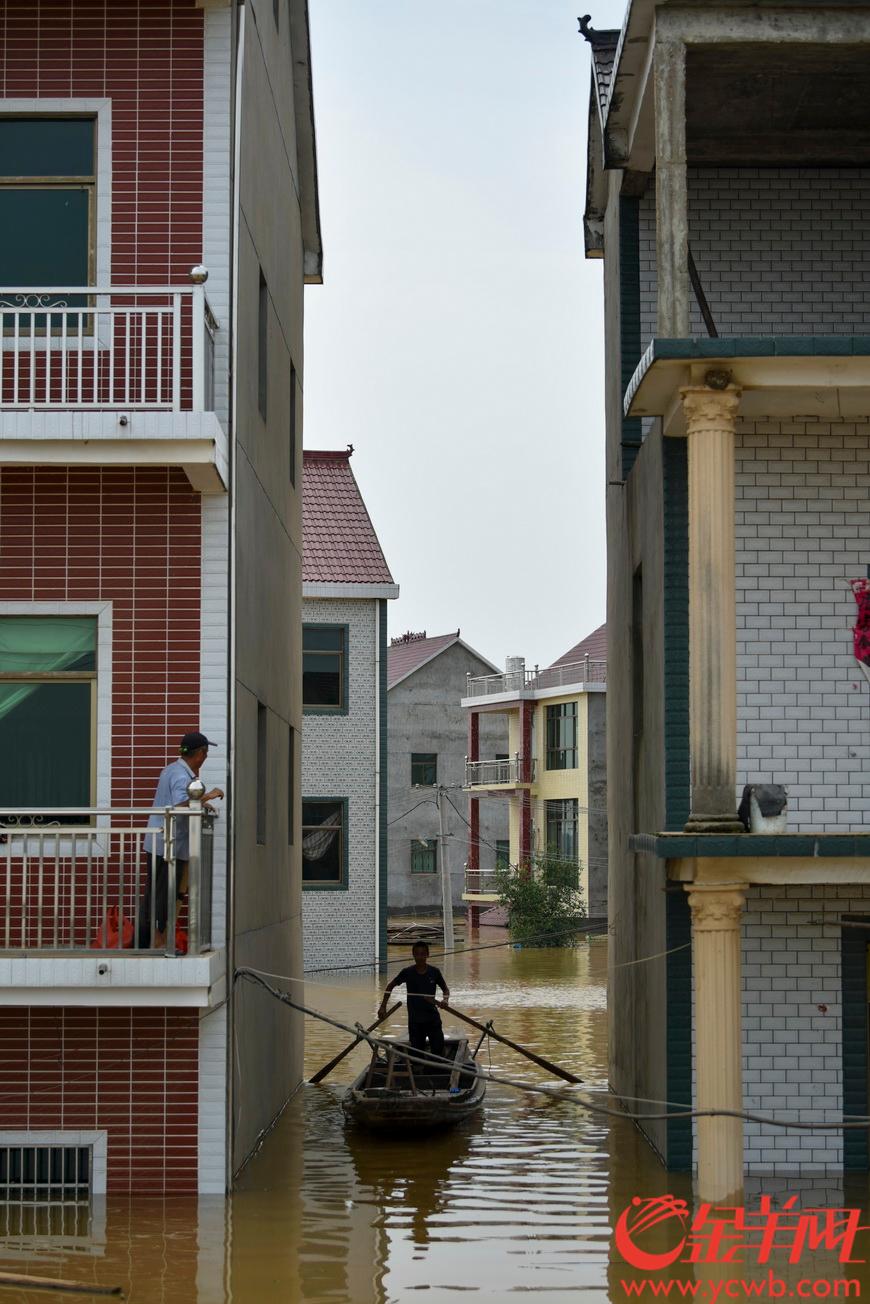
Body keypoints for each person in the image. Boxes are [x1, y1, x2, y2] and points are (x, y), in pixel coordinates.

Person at [139, 732, 224, 948]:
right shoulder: (180, 776)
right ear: (199, 754)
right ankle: (157, 943)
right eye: (205, 753)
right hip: (166, 845)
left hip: (161, 843)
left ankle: (153, 941)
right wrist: (207, 795)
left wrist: (200, 804)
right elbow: (178, 804)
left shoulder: (172, 769)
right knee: (163, 895)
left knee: (158, 893)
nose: (205, 758)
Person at [378, 941, 450, 1061]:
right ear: (413, 955)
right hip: (415, 1021)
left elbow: (445, 990)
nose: (420, 957)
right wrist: (383, 1006)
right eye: (417, 954)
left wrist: (445, 1000)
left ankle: (436, 1070)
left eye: (422, 954)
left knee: (438, 1053)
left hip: (432, 1019)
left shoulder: (434, 972)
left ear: (427, 955)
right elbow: (390, 987)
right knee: (416, 1056)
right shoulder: (407, 972)